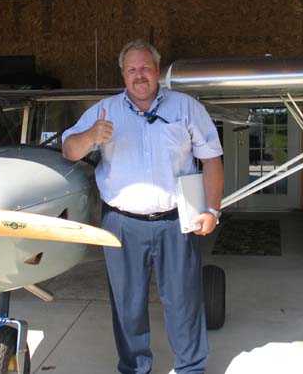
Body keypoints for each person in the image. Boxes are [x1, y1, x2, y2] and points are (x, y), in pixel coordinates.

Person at [62, 39, 224, 374]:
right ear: (123, 74)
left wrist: (212, 209)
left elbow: (211, 159)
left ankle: (191, 368)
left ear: (157, 71)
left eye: (146, 68)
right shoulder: (104, 111)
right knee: (128, 304)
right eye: (132, 69)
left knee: (184, 301)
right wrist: (90, 135)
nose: (139, 75)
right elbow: (69, 150)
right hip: (122, 224)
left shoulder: (186, 107)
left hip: (177, 221)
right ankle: (135, 368)